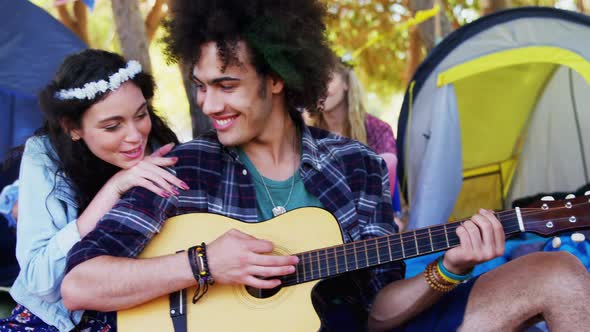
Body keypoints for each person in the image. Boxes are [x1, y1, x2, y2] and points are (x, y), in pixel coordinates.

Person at [62, 1, 590, 332]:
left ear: (276, 79)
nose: (208, 104)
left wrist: (449, 268)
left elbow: (378, 312)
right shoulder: (185, 167)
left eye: (226, 85)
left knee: (559, 274)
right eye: (201, 86)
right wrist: (203, 265)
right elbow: (81, 283)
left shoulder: (355, 165)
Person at [0, 49, 185, 332]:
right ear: (73, 128)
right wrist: (113, 188)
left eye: (141, 115)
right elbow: (40, 282)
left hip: (142, 307)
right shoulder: (44, 156)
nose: (135, 135)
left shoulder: (161, 145)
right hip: (59, 317)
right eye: (112, 127)